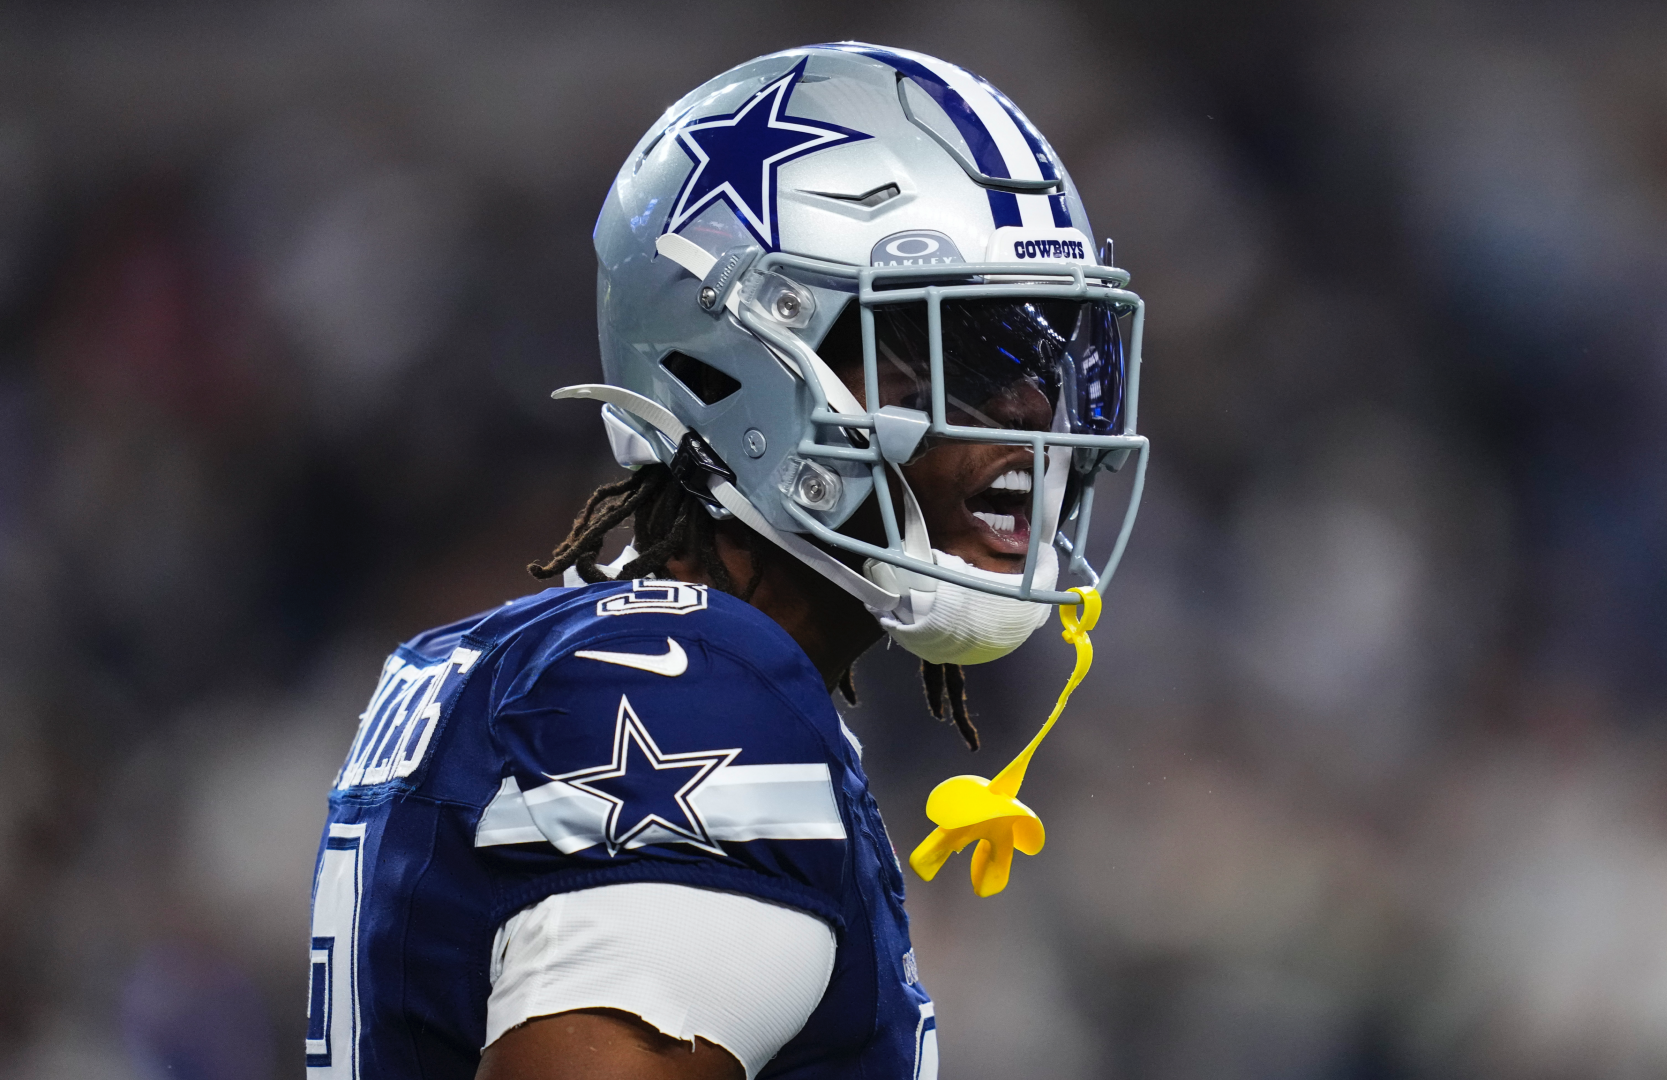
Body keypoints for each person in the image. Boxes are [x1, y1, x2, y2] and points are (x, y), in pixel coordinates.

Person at [305, 42, 1148, 1080]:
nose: (1029, 412)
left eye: (1044, 356)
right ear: (738, 363)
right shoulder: (687, 701)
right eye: (961, 351)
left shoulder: (540, 664)